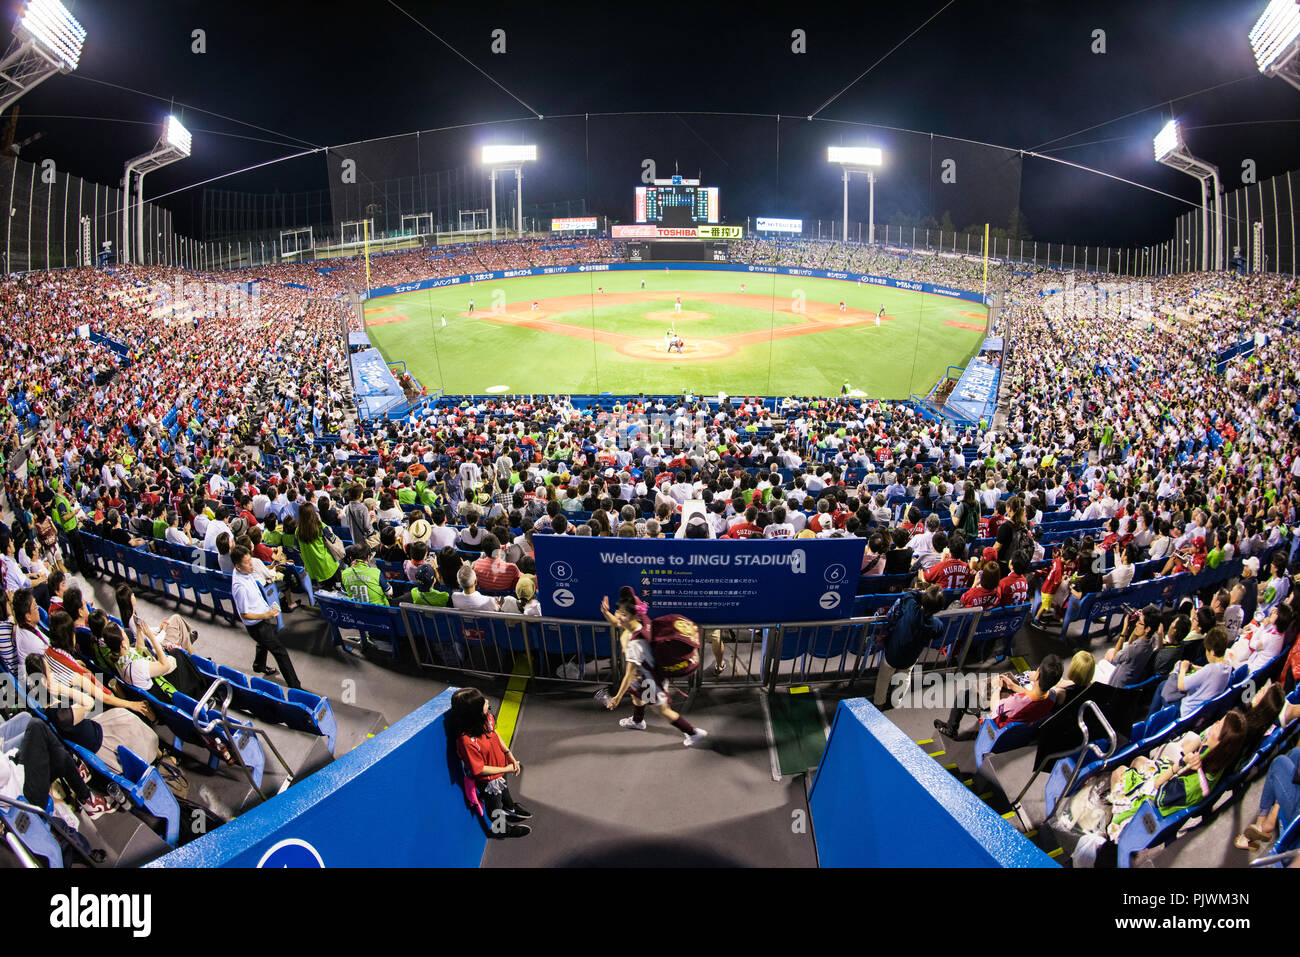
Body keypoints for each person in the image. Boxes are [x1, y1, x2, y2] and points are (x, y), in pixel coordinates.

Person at [600, 591, 708, 746]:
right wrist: (605, 612)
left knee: (661, 710)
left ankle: (693, 732)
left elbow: (629, 674)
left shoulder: (635, 644)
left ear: (634, 616)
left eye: (622, 614)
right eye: (617, 612)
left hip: (650, 681)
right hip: (641, 677)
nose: (618, 616)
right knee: (636, 696)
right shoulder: (640, 623)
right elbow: (617, 622)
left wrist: (616, 698)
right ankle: (638, 721)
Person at [450, 687, 531, 838]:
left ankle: (511, 809)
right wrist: (506, 769)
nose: (487, 701)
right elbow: (479, 770)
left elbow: (494, 734)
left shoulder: (487, 718)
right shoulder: (466, 741)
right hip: (489, 782)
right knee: (495, 808)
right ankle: (502, 830)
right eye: (483, 702)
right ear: (474, 712)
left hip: (501, 770)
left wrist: (509, 755)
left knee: (505, 794)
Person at [230, 546, 302, 689]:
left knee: (263, 643)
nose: (251, 565)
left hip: (262, 615)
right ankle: (296, 687)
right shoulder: (240, 587)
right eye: (247, 562)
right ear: (238, 566)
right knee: (280, 652)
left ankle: (259, 665)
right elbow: (244, 614)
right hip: (257, 625)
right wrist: (266, 614)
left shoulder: (244, 571)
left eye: (250, 560)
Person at [874, 585, 946, 708]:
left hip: (893, 652)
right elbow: (938, 634)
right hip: (911, 656)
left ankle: (879, 703)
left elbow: (908, 594)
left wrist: (921, 594)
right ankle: (896, 701)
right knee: (905, 676)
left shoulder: (912, 609)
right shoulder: (936, 625)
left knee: (884, 678)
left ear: (924, 599)